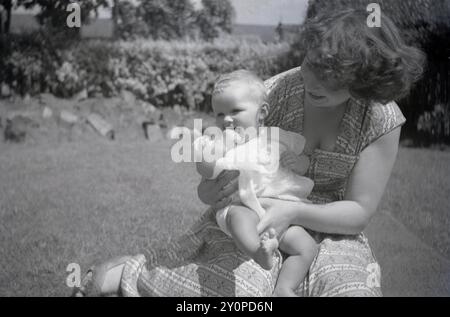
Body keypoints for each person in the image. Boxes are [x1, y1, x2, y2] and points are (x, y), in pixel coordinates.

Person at [73, 9, 424, 297]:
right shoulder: (271, 95)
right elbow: (220, 168)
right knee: (237, 295)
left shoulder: (380, 118)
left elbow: (359, 211)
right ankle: (127, 273)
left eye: (328, 79)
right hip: (253, 213)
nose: (310, 80)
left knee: (347, 290)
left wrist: (292, 211)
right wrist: (210, 187)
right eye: (310, 63)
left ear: (362, 86)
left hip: (330, 228)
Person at [193, 70, 317, 296]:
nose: (226, 120)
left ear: (262, 113)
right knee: (237, 218)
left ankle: (285, 287)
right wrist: (217, 149)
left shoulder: (277, 136)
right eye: (219, 114)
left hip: (280, 214)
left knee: (306, 247)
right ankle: (258, 252)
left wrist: (299, 162)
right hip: (243, 207)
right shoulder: (217, 142)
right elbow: (205, 169)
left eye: (235, 111)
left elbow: (306, 156)